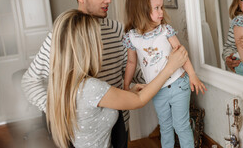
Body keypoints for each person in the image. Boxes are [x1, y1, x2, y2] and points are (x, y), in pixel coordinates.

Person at [22, 0, 130, 148]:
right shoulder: (62, 36)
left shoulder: (117, 29)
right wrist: (60, 112)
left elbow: (128, 70)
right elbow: (30, 81)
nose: (108, 0)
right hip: (81, 134)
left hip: (118, 122)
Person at [46, 9, 188, 148]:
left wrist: (128, 93)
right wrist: (170, 66)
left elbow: (102, 102)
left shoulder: (64, 84)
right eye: (97, 39)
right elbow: (139, 101)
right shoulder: (90, 87)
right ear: (86, 47)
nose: (101, 45)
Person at [122, 0, 206, 148]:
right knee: (165, 126)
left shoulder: (165, 30)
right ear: (142, 11)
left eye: (161, 7)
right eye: (157, 8)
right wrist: (126, 86)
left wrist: (193, 75)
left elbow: (182, 53)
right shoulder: (131, 37)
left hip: (178, 84)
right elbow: (131, 63)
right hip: (156, 90)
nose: (161, 12)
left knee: (181, 125)